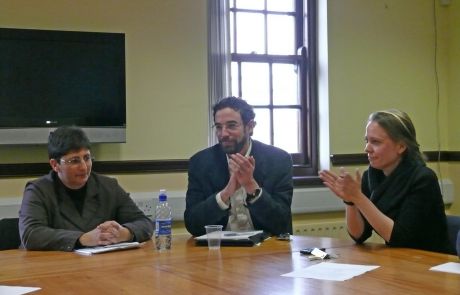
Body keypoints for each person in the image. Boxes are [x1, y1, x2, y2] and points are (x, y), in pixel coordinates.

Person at [319, 109, 450, 253]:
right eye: (367, 140)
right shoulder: (372, 175)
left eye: (375, 142)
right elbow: (359, 235)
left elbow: (400, 238)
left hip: (431, 262)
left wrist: (358, 198)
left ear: (401, 146)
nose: (367, 148)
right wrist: (350, 201)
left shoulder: (423, 178)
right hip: (399, 261)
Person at [19, 126, 153, 251]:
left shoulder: (109, 186)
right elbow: (31, 234)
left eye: (87, 158)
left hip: (100, 268)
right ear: (55, 165)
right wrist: (82, 239)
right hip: (53, 268)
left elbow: (145, 223)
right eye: (74, 161)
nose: (84, 167)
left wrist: (124, 233)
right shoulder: (38, 190)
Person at [184, 96, 293, 237]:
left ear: (250, 127)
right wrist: (225, 194)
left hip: (267, 249)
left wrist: (251, 186)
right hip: (219, 251)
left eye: (231, 126)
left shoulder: (278, 160)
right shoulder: (200, 162)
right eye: (218, 127)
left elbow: (281, 224)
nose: (223, 134)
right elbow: (193, 225)